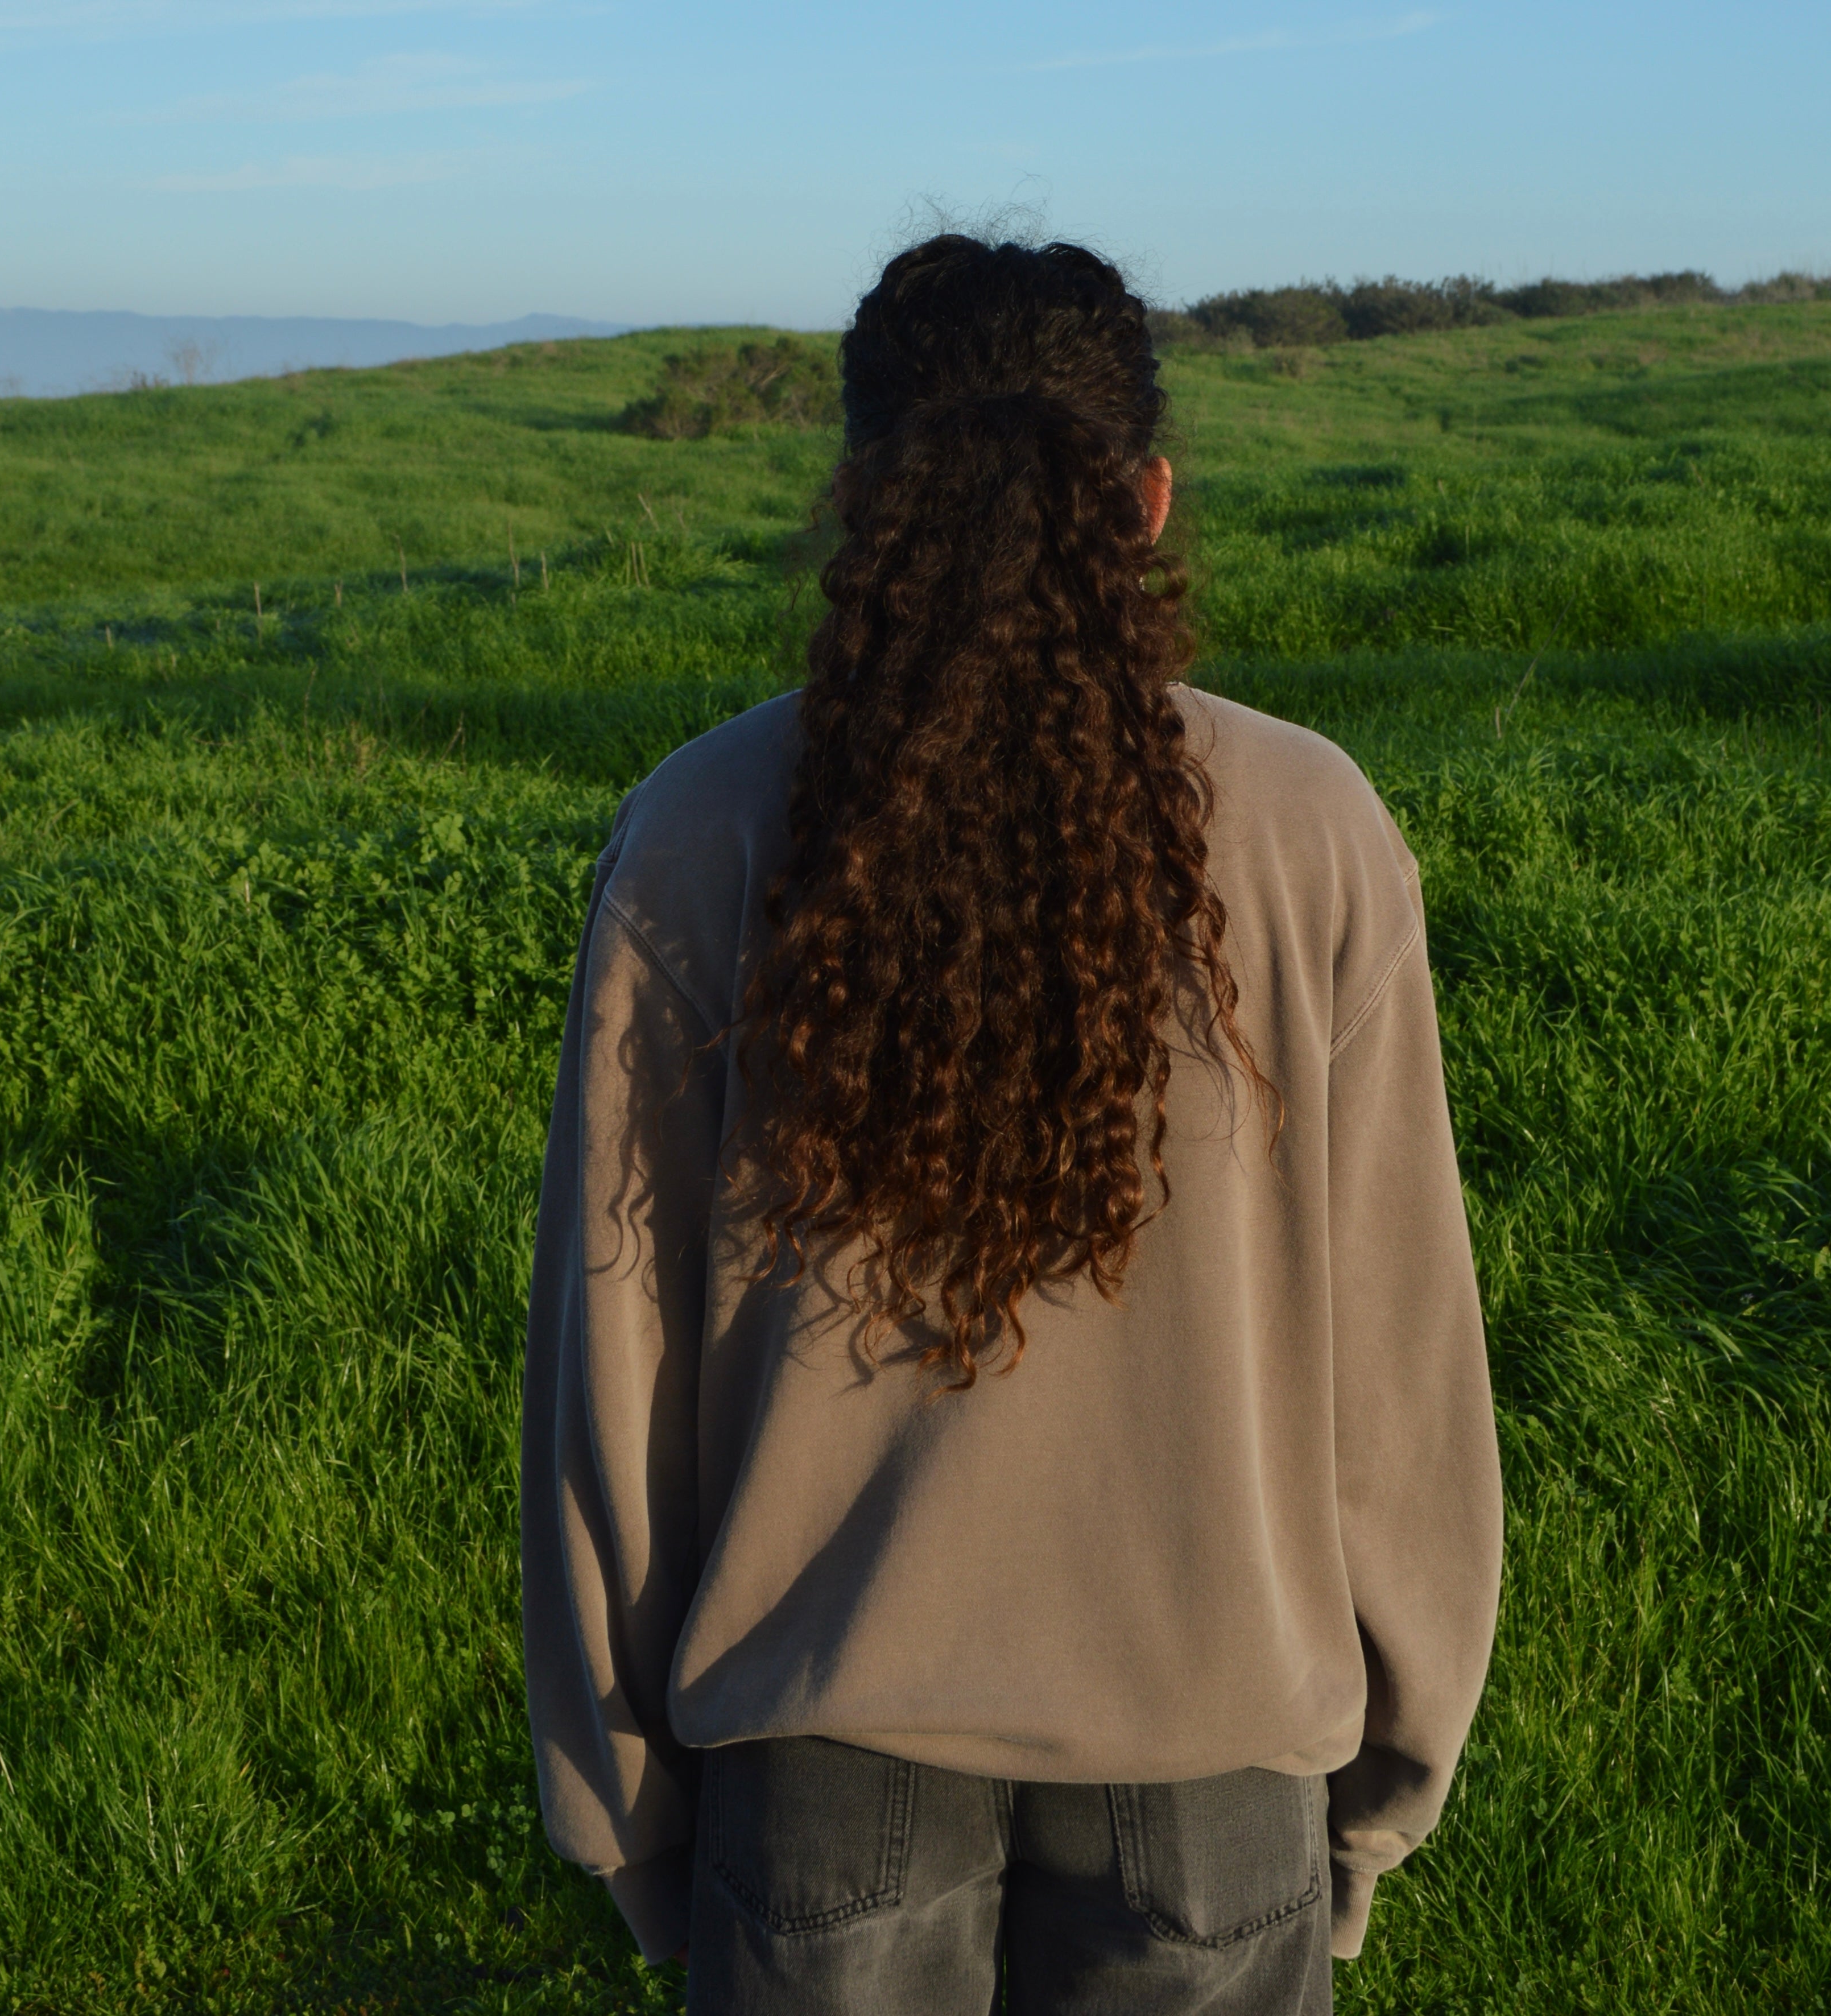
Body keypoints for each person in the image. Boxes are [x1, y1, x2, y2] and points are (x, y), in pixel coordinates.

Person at [522, 234, 1502, 2014]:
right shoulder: (1316, 831)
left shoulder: (695, 834)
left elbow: (611, 1372)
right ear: (1147, 499)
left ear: (859, 498)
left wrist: (623, 1810)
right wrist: (1384, 1791)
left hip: (812, 1785)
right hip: (1216, 1775)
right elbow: (1406, 1367)